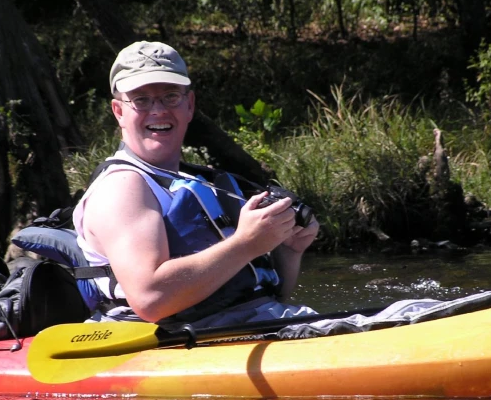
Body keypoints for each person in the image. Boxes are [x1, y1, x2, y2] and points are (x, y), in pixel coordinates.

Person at [72, 40, 320, 327]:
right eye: (141, 100)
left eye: (170, 96)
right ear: (119, 112)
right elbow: (151, 299)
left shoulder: (196, 180)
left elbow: (258, 298)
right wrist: (245, 245)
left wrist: (287, 250)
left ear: (189, 106)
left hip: (242, 327)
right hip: (173, 345)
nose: (158, 110)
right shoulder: (122, 188)